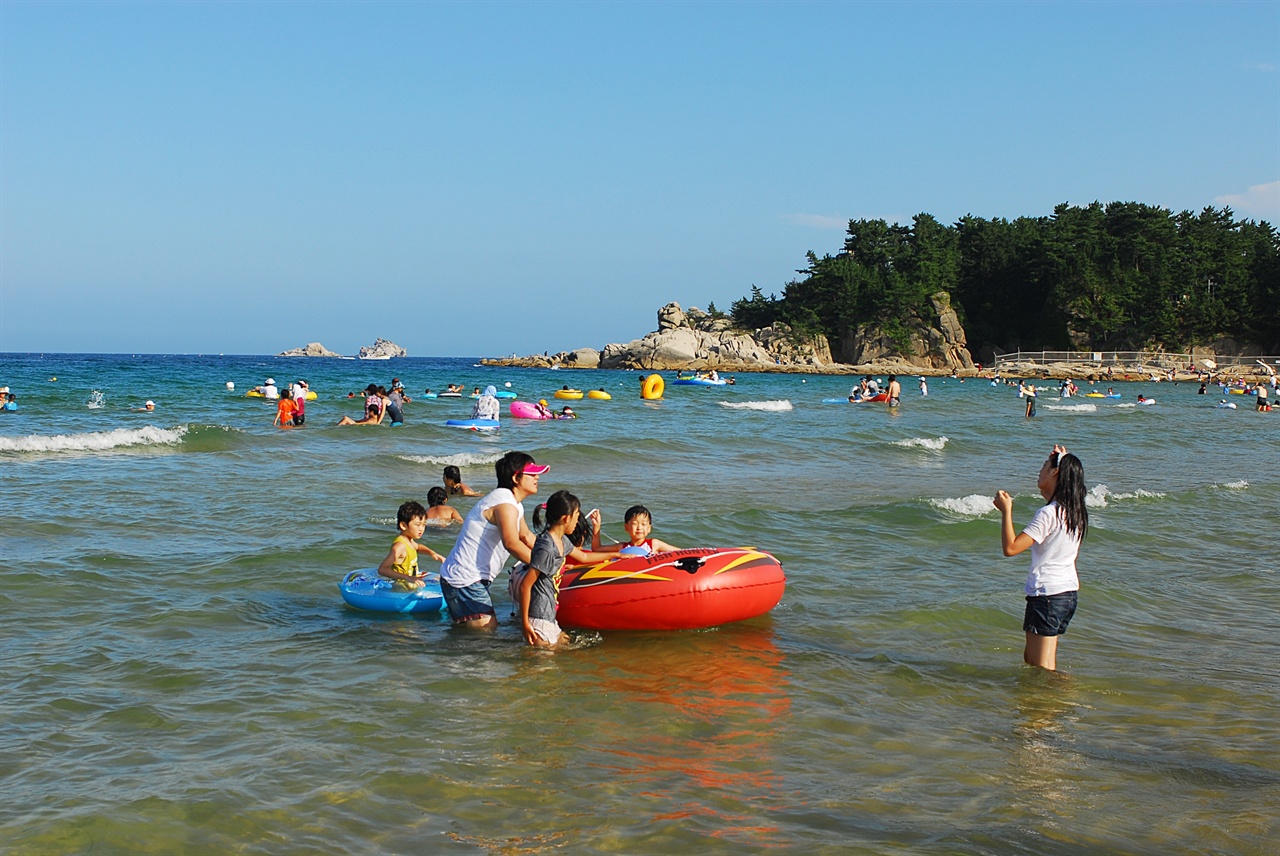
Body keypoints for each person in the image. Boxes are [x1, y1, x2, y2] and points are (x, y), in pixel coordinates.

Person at [993, 444, 1088, 671]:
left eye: (1045, 466)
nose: (1040, 470)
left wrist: (1007, 511)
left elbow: (1011, 548)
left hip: (1048, 595)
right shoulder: (1075, 511)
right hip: (1066, 595)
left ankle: (1057, 702)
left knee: (1042, 667)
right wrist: (1060, 459)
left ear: (1055, 473)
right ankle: (1049, 701)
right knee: (1032, 660)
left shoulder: (1049, 513)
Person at [437, 452, 546, 628]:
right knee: (485, 636)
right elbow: (512, 543)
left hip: (465, 579)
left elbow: (526, 537)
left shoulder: (512, 503)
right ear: (515, 478)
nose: (537, 477)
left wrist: (554, 557)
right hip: (465, 580)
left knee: (474, 636)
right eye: (532, 473)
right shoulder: (504, 505)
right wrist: (545, 567)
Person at [514, 490, 616, 646]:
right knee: (540, 669)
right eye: (576, 517)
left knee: (574, 649)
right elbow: (525, 586)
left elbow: (584, 557)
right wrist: (525, 624)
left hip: (550, 618)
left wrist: (617, 555)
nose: (577, 522)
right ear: (565, 519)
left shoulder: (561, 541)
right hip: (539, 620)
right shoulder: (547, 547)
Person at [377, 501, 446, 590]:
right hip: (401, 588)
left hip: (411, 583)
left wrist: (432, 553)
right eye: (417, 525)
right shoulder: (399, 546)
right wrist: (408, 577)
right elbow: (382, 569)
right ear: (403, 525)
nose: (421, 529)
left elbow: (418, 547)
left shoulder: (409, 541)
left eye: (424, 525)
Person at [590, 504, 680, 556]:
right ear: (626, 527)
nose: (639, 527)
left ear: (649, 528)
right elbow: (596, 549)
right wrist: (596, 526)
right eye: (634, 524)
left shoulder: (654, 544)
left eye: (643, 524)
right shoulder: (622, 547)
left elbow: (680, 552)